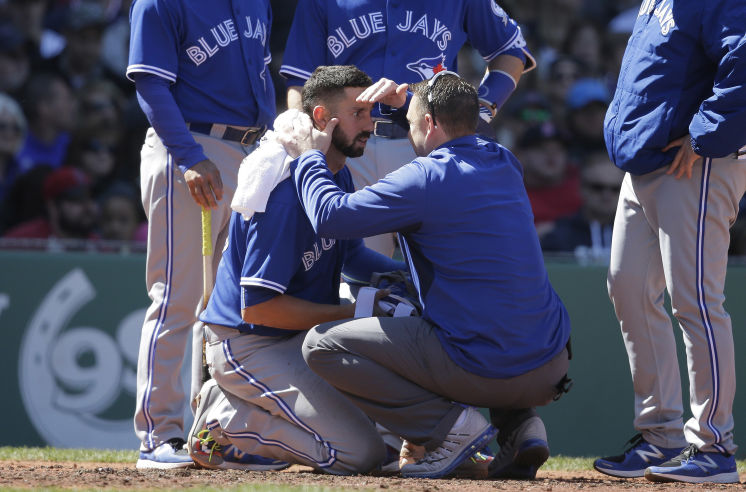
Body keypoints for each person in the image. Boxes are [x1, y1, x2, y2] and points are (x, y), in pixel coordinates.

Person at [280, 72, 572, 480]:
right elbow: (454, 131)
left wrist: (310, 157)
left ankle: (449, 430)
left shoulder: (422, 178)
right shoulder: (505, 161)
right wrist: (411, 108)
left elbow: (331, 216)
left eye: (413, 119)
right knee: (490, 305)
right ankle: (521, 427)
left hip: (480, 368)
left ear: (430, 123)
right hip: (550, 366)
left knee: (321, 346)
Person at [187, 65, 405, 474]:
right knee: (358, 455)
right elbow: (259, 309)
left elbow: (352, 255)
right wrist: (352, 312)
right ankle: (222, 421)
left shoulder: (332, 174)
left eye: (370, 112)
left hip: (299, 338)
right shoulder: (285, 191)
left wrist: (401, 278)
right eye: (358, 113)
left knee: (380, 441)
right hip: (248, 344)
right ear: (321, 118)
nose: (370, 123)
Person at [593, 0, 746, 484]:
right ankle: (662, 436)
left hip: (696, 162)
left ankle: (714, 445)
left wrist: (704, 136)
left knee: (696, 300)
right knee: (629, 287)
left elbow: (743, 60)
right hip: (646, 160)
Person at [126, 0, 276, 469]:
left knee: (226, 305)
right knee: (177, 295)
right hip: (190, 149)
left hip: (250, 153)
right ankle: (158, 434)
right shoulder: (159, 2)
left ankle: (214, 434)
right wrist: (189, 156)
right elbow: (151, 83)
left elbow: (262, 76)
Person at [280, 0, 535, 256]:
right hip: (350, 150)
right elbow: (301, 78)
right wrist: (305, 133)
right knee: (358, 268)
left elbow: (510, 50)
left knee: (445, 259)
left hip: (428, 145)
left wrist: (481, 109)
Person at [541, 152, 624, 261]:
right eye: (597, 187)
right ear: (581, 188)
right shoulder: (558, 235)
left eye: (615, 189)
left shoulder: (638, 236)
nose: (606, 195)